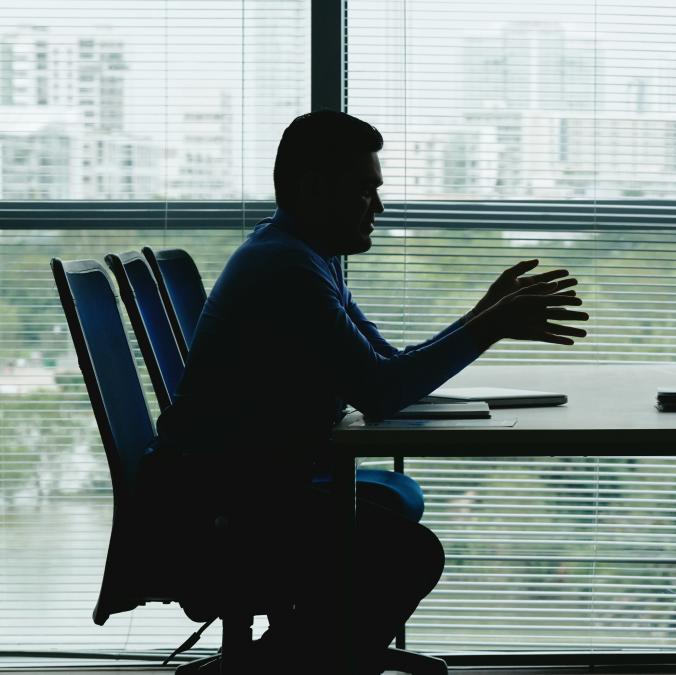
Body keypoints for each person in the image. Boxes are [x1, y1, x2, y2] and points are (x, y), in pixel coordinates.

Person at [151, 110, 589, 673]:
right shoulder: (287, 269)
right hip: (225, 502)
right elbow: (381, 394)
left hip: (244, 482)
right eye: (365, 190)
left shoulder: (306, 255)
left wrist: (483, 315)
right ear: (314, 187)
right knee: (408, 555)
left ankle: (299, 656)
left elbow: (387, 365)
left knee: (390, 530)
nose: (377, 207)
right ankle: (298, 660)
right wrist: (490, 326)